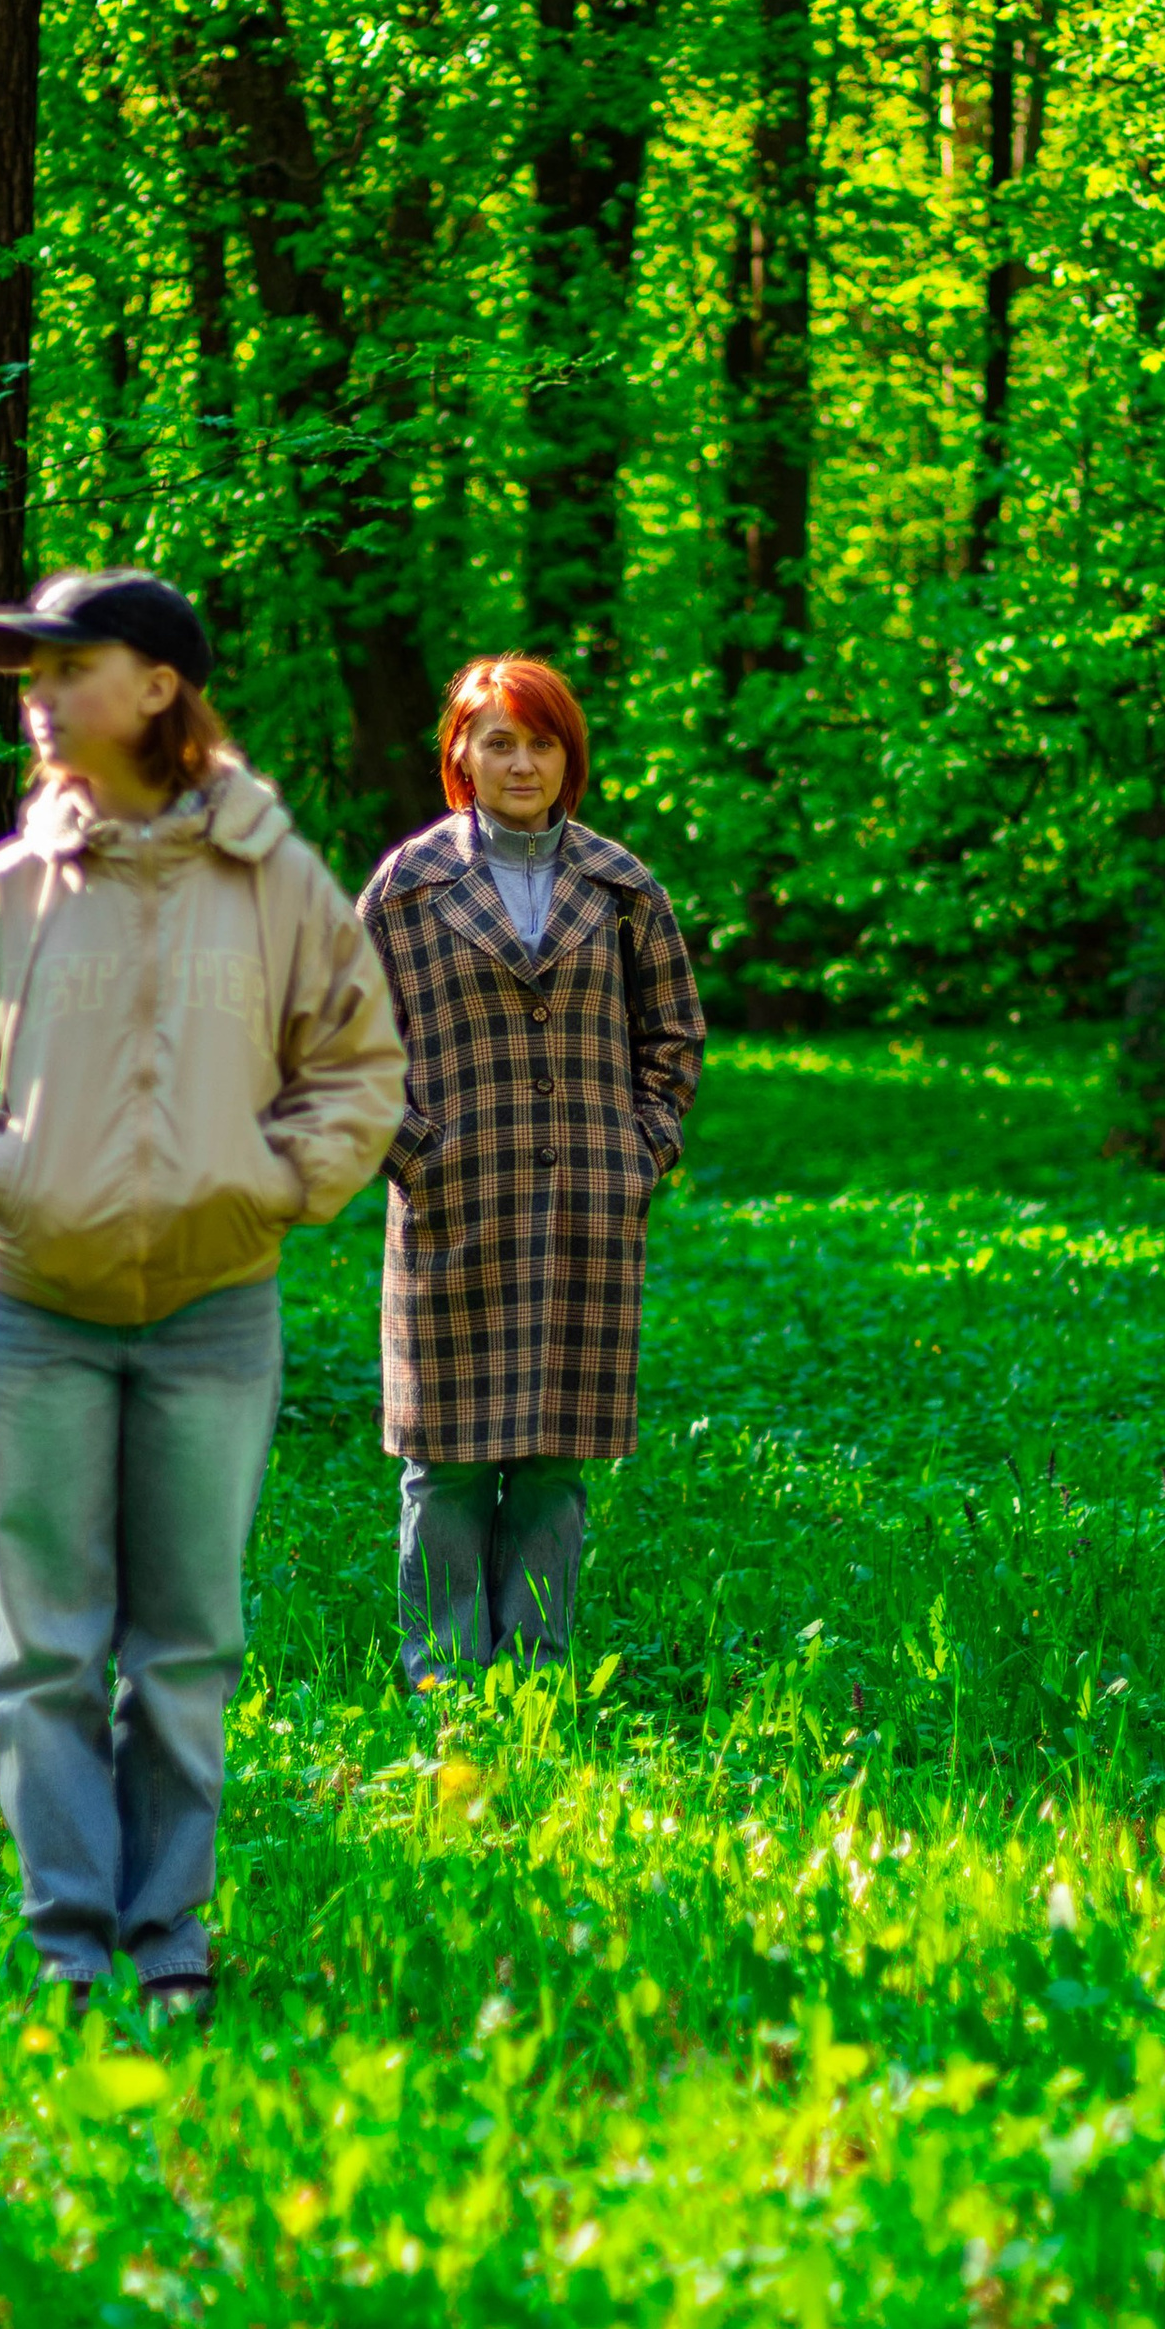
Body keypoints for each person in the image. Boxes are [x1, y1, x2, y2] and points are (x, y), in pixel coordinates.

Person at [0, 569, 405, 2015]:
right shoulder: (12, 887)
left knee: (185, 1647)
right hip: (32, 1313)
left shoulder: (275, 883)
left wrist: (273, 1183)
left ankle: (166, 1929)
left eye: (73, 668)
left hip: (213, 1314)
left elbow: (359, 1063)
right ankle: (70, 1936)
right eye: (31, 676)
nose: (41, 698)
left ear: (161, 687)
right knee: (43, 1649)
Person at [358, 654, 705, 1696]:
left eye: (542, 742)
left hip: (585, 1212)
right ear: (460, 754)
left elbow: (673, 1036)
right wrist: (417, 1153)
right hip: (453, 1209)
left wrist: (638, 1151)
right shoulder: (409, 886)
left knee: (555, 1461)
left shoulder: (621, 885)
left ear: (569, 758)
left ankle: (539, 1684)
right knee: (449, 1462)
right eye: (499, 741)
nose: (521, 763)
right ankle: (446, 1687)